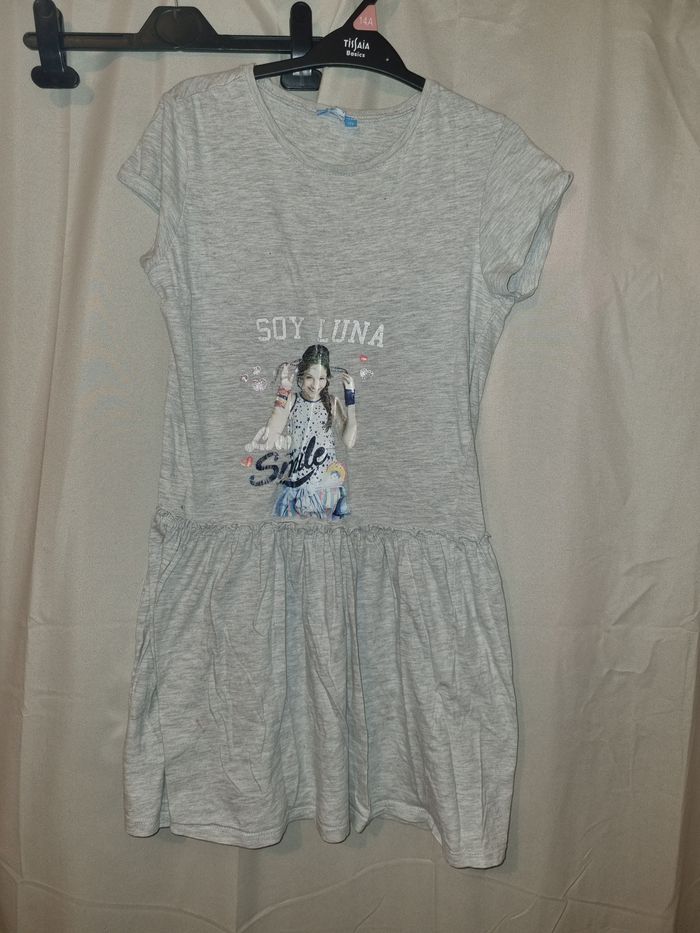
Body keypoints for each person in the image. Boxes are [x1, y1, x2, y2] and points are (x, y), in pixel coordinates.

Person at [246, 345, 357, 520]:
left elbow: (349, 441)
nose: (315, 385)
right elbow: (270, 437)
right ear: (301, 377)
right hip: (297, 487)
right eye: (309, 378)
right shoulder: (292, 401)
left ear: (327, 379)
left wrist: (350, 399)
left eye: (321, 378)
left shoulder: (332, 403)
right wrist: (283, 390)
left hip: (326, 489)